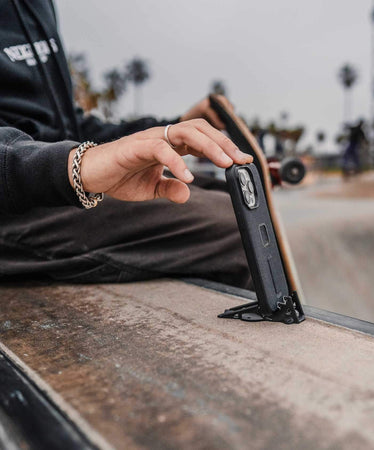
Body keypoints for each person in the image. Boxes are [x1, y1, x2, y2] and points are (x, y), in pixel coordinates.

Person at [0, 0, 253, 289]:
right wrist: (72, 166)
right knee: (237, 226)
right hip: (13, 212)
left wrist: (172, 128)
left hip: (51, 185)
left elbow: (68, 127)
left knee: (235, 193)